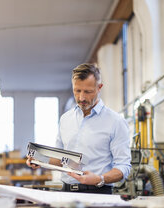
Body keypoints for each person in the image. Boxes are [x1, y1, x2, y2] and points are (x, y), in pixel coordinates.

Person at [27, 63, 131, 194]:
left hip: (98, 193)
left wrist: (100, 179)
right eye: (77, 91)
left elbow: (124, 166)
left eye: (88, 92)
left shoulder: (115, 121)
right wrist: (40, 160)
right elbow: (61, 160)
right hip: (66, 191)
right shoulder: (66, 119)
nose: (81, 98)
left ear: (99, 88)